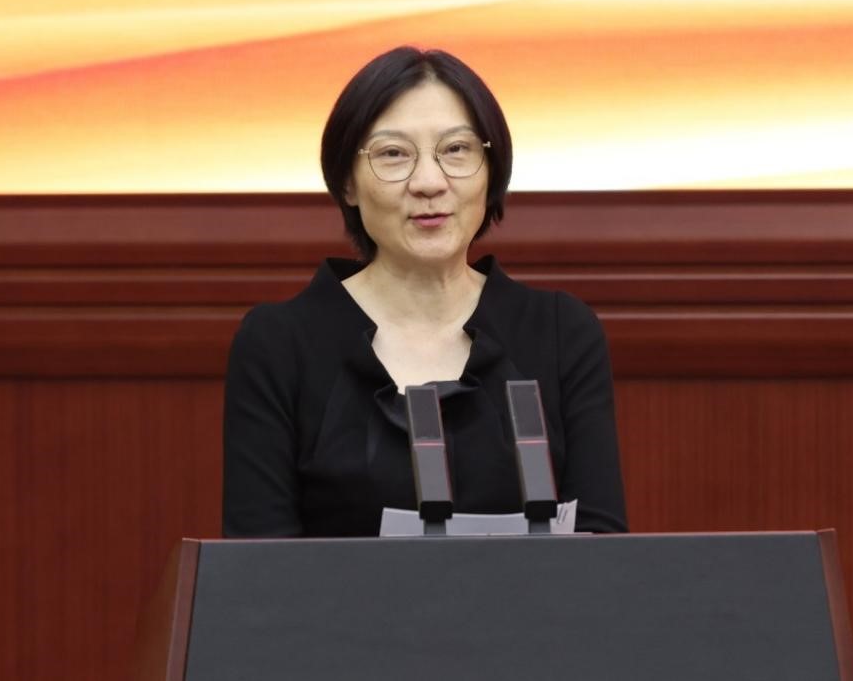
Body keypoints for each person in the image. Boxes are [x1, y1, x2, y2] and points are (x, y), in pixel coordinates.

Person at [222, 46, 627, 537]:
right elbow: (258, 562)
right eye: (393, 154)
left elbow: (602, 549)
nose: (429, 182)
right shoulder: (280, 344)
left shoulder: (561, 333)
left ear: (491, 170)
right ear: (347, 183)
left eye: (456, 150)